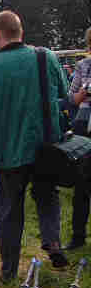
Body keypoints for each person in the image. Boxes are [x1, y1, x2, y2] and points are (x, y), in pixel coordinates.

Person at [0, 10, 69, 282]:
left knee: (10, 209)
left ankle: (9, 270)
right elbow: (64, 93)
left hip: (8, 149)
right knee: (47, 197)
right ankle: (53, 242)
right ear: (21, 32)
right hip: (44, 146)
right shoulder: (45, 56)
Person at [64, 27, 91, 250]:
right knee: (82, 182)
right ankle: (78, 236)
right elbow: (70, 97)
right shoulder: (82, 66)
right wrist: (80, 95)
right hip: (84, 122)